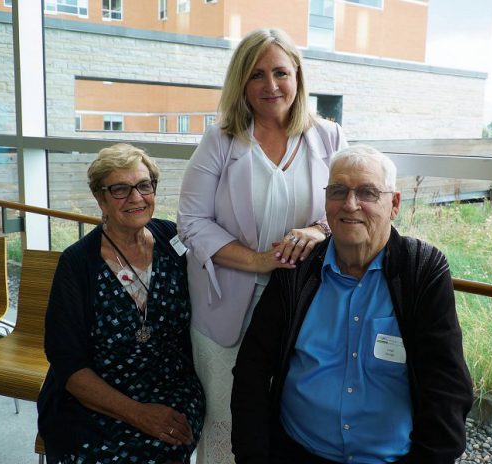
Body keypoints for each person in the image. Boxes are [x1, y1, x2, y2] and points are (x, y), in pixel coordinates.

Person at [231, 145, 474, 464]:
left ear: (394, 204)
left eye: (368, 193)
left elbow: (447, 388)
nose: (350, 204)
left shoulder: (421, 271)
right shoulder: (298, 269)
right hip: (296, 450)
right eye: (338, 190)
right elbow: (253, 367)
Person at [177, 28, 347, 463]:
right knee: (227, 423)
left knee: (291, 417)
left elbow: (350, 206)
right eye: (257, 75)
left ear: (298, 77)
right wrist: (255, 261)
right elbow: (191, 221)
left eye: (280, 72)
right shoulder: (220, 139)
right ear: (242, 83)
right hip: (226, 307)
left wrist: (318, 231)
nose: (271, 86)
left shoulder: (328, 138)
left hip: (301, 305)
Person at [38, 143, 205, 464]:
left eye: (144, 185)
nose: (136, 198)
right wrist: (139, 414)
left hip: (171, 386)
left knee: (163, 447)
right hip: (95, 395)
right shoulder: (77, 263)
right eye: (120, 189)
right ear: (100, 198)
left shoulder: (173, 240)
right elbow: (67, 363)